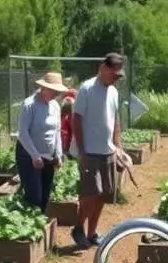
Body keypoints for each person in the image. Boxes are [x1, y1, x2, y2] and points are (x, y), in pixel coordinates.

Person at [70, 52, 125, 250]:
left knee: (103, 194)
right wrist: (82, 151)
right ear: (103, 68)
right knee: (91, 193)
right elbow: (76, 119)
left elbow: (115, 120)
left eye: (118, 76)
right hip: (90, 151)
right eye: (114, 75)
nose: (115, 79)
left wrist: (118, 146)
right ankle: (78, 228)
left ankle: (92, 232)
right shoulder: (86, 89)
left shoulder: (113, 92)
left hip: (107, 151)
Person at [16, 71, 67, 212]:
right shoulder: (29, 105)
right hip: (28, 156)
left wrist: (58, 154)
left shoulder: (55, 106)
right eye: (55, 91)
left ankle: (40, 228)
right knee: (34, 197)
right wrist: (35, 156)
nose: (57, 94)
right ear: (45, 88)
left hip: (48, 157)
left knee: (45, 195)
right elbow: (23, 133)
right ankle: (30, 228)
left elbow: (57, 130)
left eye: (58, 91)